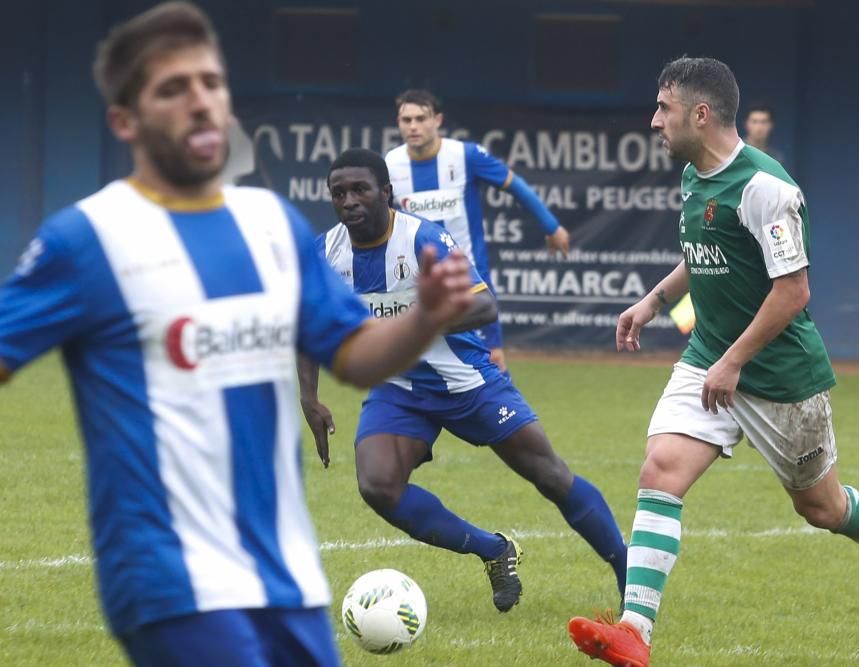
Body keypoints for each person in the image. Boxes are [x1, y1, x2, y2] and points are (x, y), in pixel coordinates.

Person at [0, 4, 477, 666]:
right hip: (171, 572)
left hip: (286, 566)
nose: (200, 102)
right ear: (124, 121)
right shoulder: (88, 239)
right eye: (173, 89)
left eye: (211, 83)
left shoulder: (270, 223)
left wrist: (427, 313)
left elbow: (354, 355)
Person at [567, 57, 859, 667]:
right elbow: (703, 251)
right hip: (710, 356)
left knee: (823, 507)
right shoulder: (693, 175)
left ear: (701, 113)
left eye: (664, 108)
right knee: (660, 470)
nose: (654, 120)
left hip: (778, 374)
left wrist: (736, 361)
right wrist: (654, 301)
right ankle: (635, 631)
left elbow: (793, 291)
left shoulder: (767, 187)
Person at [298, 148, 627, 613]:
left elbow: (484, 306)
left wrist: (423, 317)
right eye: (339, 193)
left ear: (386, 193)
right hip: (399, 390)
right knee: (378, 486)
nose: (349, 200)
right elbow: (305, 321)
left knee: (550, 475)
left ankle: (628, 574)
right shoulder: (326, 251)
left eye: (360, 190)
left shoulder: (423, 240)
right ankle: (493, 550)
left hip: (467, 381)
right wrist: (309, 398)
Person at [387, 89, 572, 372]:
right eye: (406, 119)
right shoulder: (390, 164)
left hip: (469, 282)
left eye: (420, 118)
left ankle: (510, 416)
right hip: (415, 285)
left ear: (437, 120)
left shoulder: (465, 155)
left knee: (491, 362)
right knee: (416, 369)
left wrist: (551, 226)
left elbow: (514, 185)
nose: (412, 126)